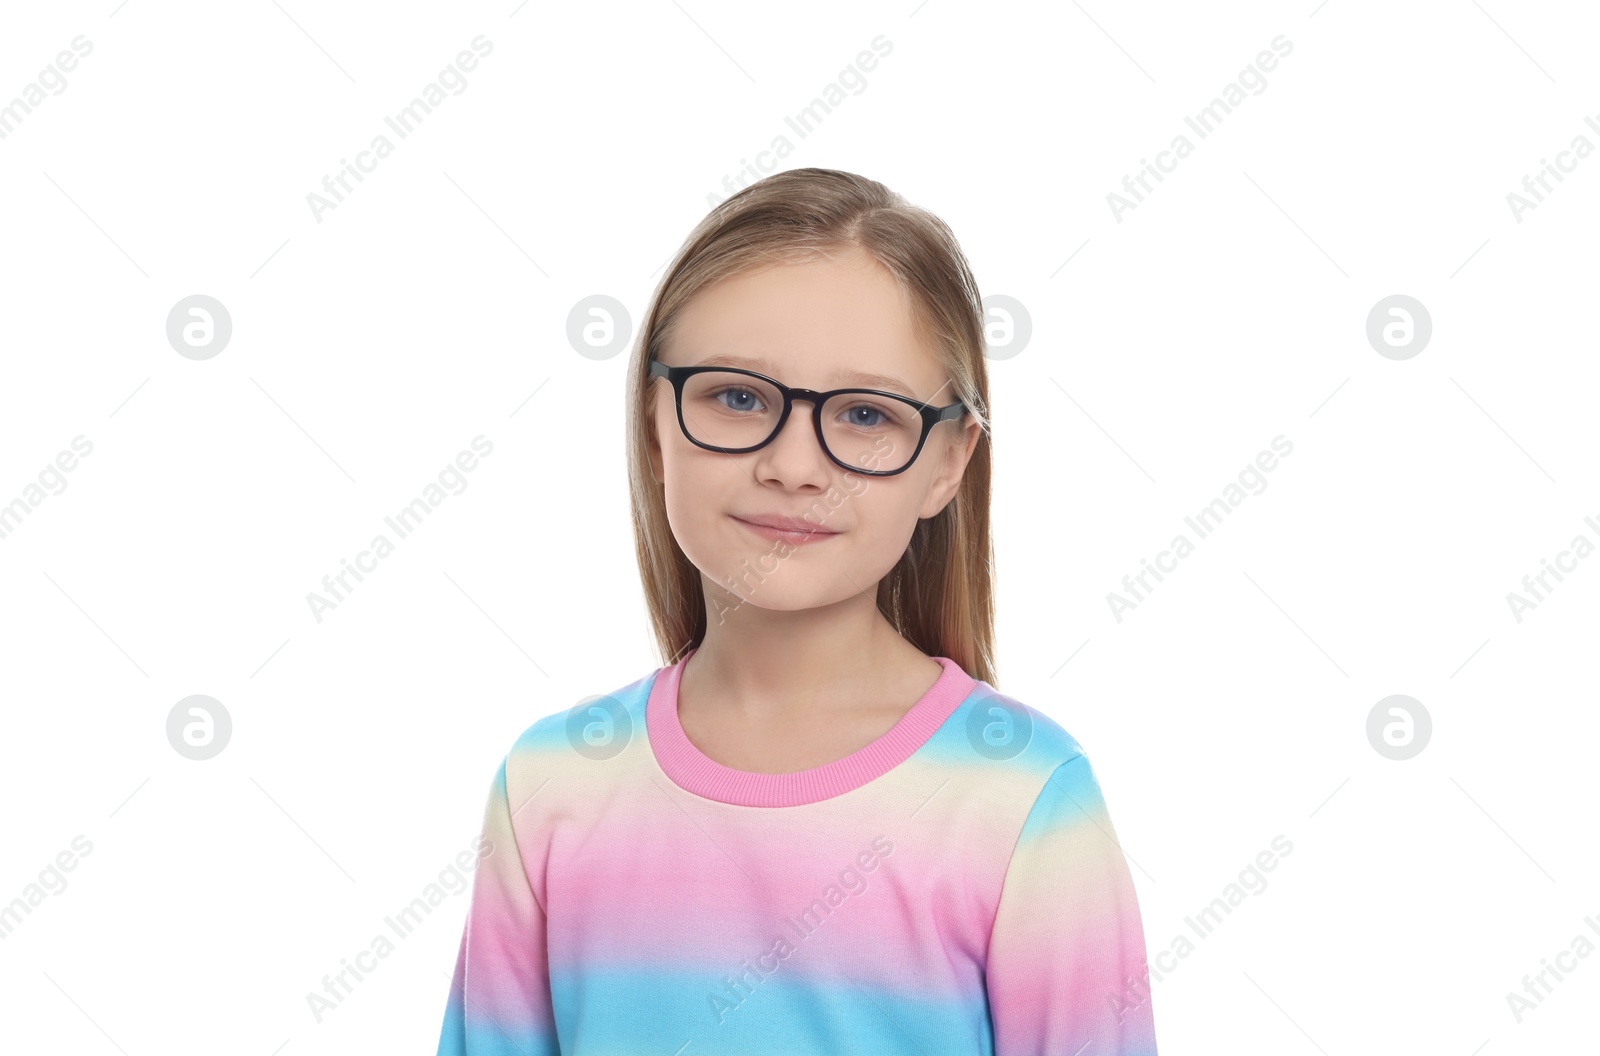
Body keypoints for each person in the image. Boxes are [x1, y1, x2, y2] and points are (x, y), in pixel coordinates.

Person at [435, 167, 1159, 1054]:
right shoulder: (553, 786)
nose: (794, 465)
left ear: (947, 463)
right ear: (654, 421)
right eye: (736, 397)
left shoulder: (1024, 801)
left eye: (863, 415)